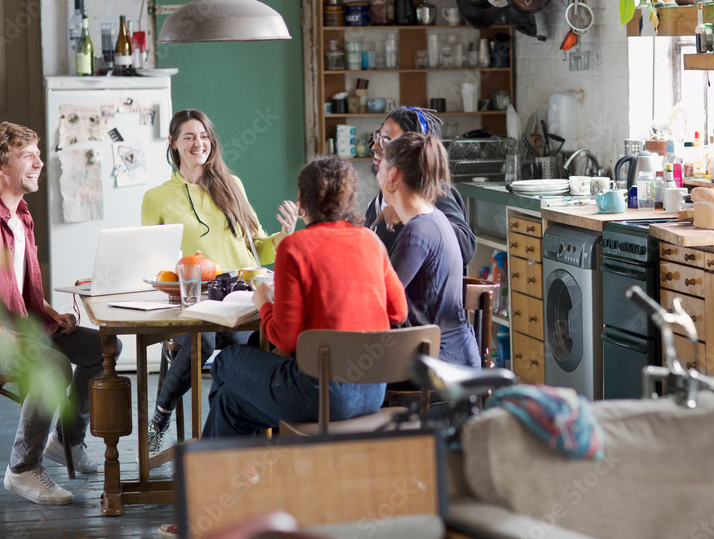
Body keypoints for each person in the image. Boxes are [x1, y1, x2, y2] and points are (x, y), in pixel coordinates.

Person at [0, 122, 110, 505]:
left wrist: (50, 312)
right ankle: (21, 469)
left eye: (38, 153)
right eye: (27, 155)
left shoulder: (22, 215)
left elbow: (18, 287)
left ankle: (66, 439)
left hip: (25, 327)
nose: (38, 162)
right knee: (52, 367)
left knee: (103, 349)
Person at [201, 155, 408, 437]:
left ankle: (223, 471)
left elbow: (284, 338)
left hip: (319, 394)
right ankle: (235, 475)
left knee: (226, 359)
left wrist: (264, 303)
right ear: (349, 200)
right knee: (229, 403)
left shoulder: (295, 247)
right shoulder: (370, 241)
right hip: (372, 392)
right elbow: (399, 312)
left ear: (301, 199)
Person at [141, 109, 298, 453]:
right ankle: (160, 418)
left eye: (205, 136)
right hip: (192, 297)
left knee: (251, 344)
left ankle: (237, 439)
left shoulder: (232, 184)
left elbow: (259, 248)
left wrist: (285, 234)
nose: (199, 143)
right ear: (173, 143)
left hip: (241, 294)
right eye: (189, 137)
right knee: (206, 342)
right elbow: (152, 258)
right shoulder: (157, 197)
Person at [377, 132, 481, 367]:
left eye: (380, 168)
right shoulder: (433, 218)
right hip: (450, 354)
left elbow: (381, 301)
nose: (378, 174)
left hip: (439, 362)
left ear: (393, 175)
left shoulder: (417, 233)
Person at [365, 106, 476, 265]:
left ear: (412, 150)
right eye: (378, 136)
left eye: (385, 141)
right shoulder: (386, 194)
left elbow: (465, 248)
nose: (375, 146)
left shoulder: (434, 191)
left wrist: (410, 214)